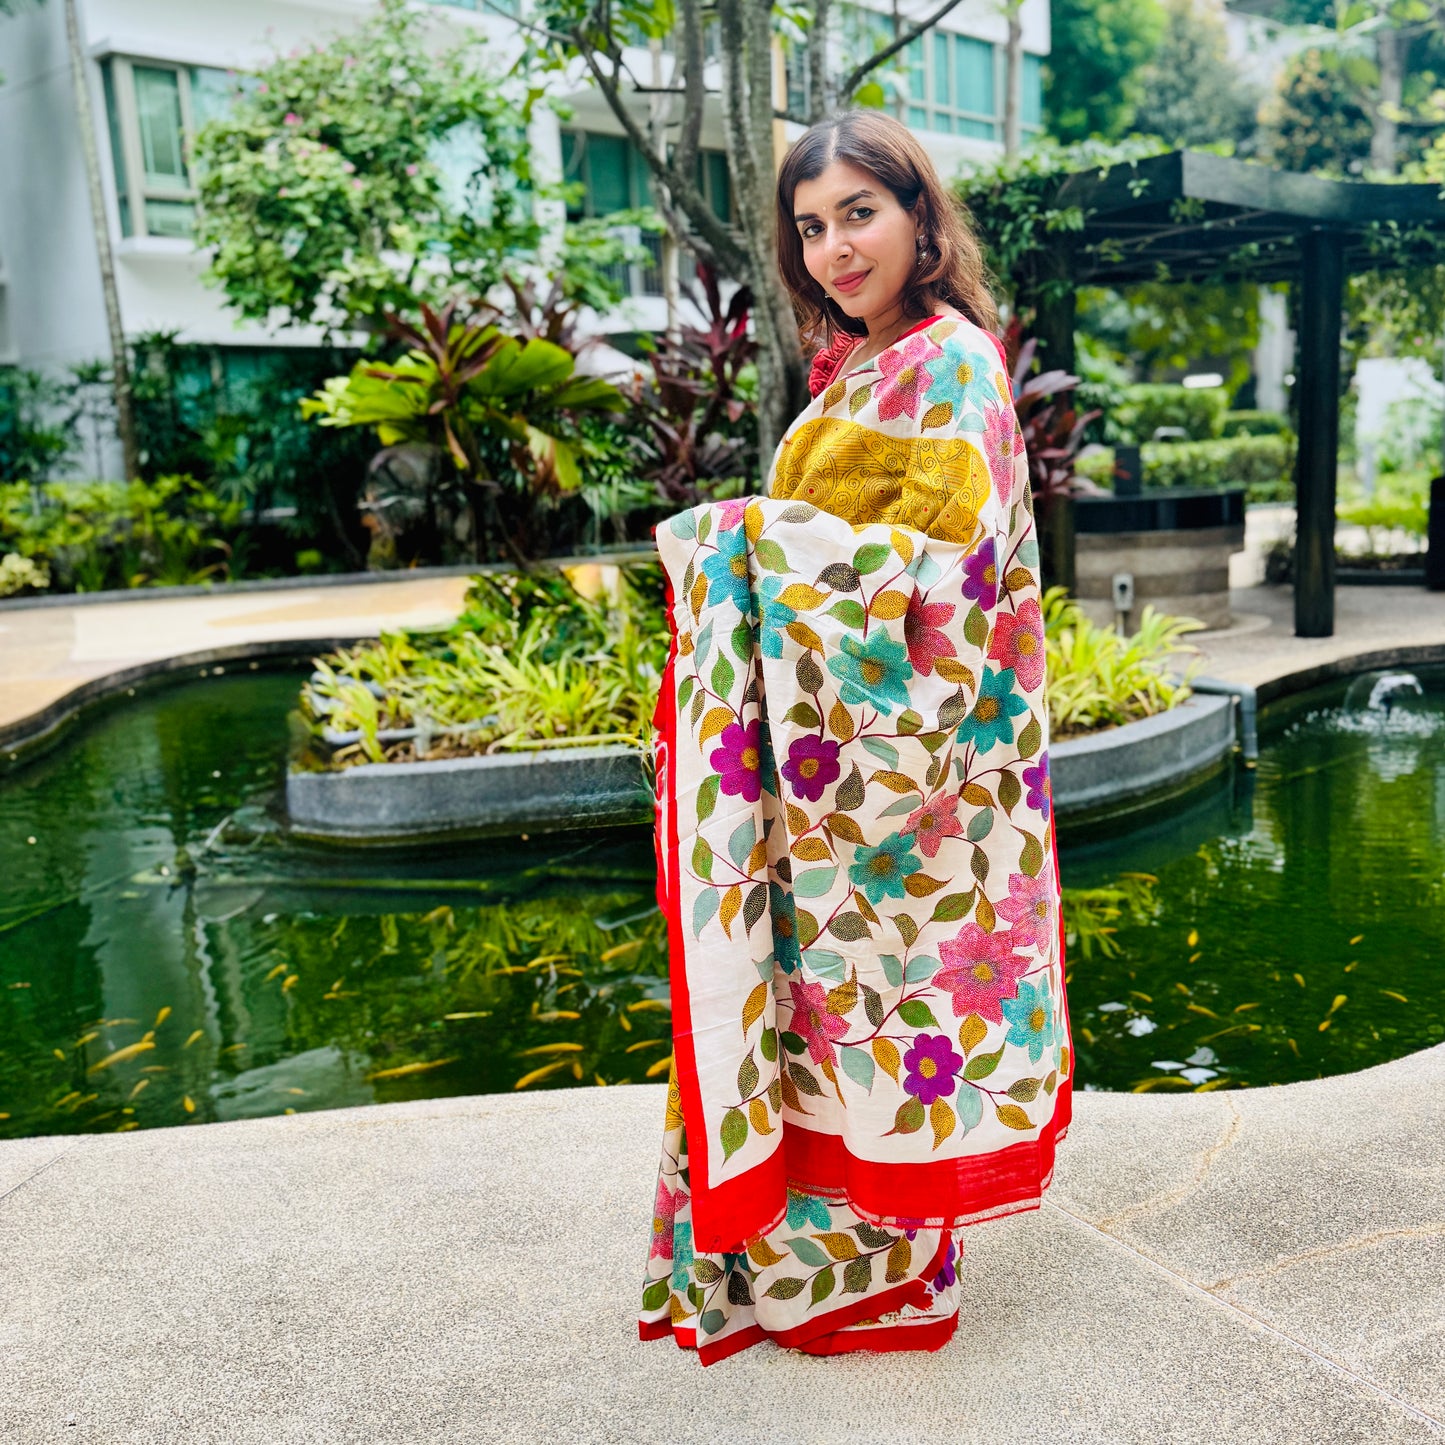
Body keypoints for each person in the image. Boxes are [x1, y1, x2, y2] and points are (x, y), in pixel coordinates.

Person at [639, 110, 1070, 1364]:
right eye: (809, 225)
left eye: (857, 214)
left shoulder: (949, 363)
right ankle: (803, 1270)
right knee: (820, 1003)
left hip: (907, 772)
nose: (832, 247)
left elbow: (938, 581)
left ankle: (882, 1276)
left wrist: (747, 540)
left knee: (891, 999)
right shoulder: (861, 365)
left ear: (920, 217)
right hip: (821, 761)